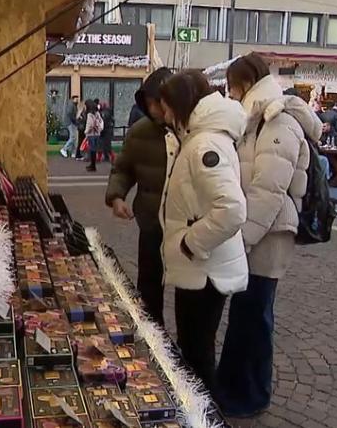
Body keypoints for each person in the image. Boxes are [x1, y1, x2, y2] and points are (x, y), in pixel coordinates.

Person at [214, 53, 322, 418]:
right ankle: (232, 387)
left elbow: (268, 191)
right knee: (246, 316)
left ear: (244, 84)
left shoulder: (277, 122)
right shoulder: (258, 117)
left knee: (256, 318)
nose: (230, 94)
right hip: (257, 233)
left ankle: (252, 395)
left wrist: (242, 240)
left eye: (232, 86)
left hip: (268, 235)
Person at [158, 70, 248, 392]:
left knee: (198, 355)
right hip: (200, 269)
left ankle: (206, 416)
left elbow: (233, 209)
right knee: (194, 351)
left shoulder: (204, 144)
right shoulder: (198, 139)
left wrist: (191, 243)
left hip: (204, 271)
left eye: (167, 107)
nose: (164, 115)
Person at [105, 67, 173, 326]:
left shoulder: (190, 130)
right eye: (150, 104)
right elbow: (123, 168)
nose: (155, 110)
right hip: (151, 222)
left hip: (187, 228)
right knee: (149, 287)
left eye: (158, 103)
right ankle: (152, 337)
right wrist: (117, 196)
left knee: (190, 299)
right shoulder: (140, 131)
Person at [83, 99, 104, 172]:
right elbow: (101, 121)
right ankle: (93, 165)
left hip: (91, 134)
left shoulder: (89, 114)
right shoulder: (97, 113)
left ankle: (92, 165)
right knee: (94, 149)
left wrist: (86, 132)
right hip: (97, 133)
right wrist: (99, 129)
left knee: (92, 150)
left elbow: (90, 125)